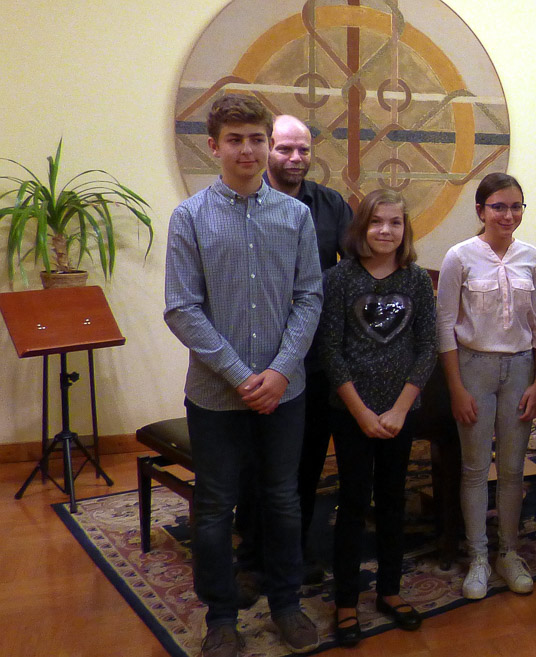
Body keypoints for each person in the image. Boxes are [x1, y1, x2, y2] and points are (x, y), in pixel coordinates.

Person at [163, 95, 322, 657]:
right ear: (214, 146)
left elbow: (309, 297)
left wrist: (279, 371)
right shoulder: (190, 217)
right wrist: (239, 375)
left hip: (285, 393)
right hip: (215, 396)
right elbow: (181, 308)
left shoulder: (296, 216)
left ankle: (286, 603)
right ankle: (222, 617)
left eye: (257, 139)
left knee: (282, 500)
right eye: (235, 140)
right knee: (213, 509)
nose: (247, 150)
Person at [236, 115, 354, 597]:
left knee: (305, 463)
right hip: (257, 357)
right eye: (285, 149)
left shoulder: (331, 206)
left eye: (303, 149)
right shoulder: (243, 201)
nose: (295, 158)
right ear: (268, 150)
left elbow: (354, 269)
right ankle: (250, 559)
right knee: (256, 464)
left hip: (313, 357)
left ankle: (293, 553)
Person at [317, 189, 433, 646]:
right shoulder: (339, 278)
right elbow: (330, 350)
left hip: (400, 413)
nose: (386, 230)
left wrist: (399, 409)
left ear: (406, 229)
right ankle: (346, 600)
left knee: (392, 500)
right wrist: (362, 412)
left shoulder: (417, 279)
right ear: (361, 227)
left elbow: (426, 348)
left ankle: (389, 589)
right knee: (352, 502)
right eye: (377, 222)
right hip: (351, 412)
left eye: (395, 222)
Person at [436, 173, 536, 600]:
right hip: (473, 369)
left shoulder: (533, 258)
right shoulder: (459, 256)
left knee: (512, 467)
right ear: (481, 210)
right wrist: (456, 388)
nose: (508, 215)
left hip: (520, 369)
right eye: (499, 207)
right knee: (473, 468)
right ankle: (478, 556)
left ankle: (509, 552)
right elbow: (444, 326)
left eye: (516, 206)